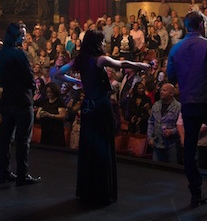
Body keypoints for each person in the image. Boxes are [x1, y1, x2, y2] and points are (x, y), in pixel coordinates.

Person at [55, 27, 149, 208]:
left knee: (88, 146)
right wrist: (142, 65)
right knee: (103, 146)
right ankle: (102, 191)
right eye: (102, 41)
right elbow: (122, 64)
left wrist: (78, 82)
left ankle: (87, 190)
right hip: (100, 106)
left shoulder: (80, 60)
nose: (105, 44)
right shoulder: (100, 59)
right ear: (97, 43)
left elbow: (58, 74)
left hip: (88, 106)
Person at [167, 11, 207, 209]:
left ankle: (196, 194)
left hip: (188, 103)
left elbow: (171, 77)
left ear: (186, 26)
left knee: (189, 148)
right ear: (202, 24)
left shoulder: (176, 49)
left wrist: (188, 84)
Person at [0, 23, 42, 186]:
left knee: (5, 139)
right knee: (22, 140)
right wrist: (34, 88)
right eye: (22, 34)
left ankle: (4, 172)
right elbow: (29, 78)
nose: (24, 37)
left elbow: (0, 78)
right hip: (22, 99)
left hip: (7, 99)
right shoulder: (20, 54)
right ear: (16, 35)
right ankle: (22, 174)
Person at [147, 82, 181, 163]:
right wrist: (149, 137)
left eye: (164, 90)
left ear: (171, 93)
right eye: (161, 90)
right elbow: (151, 122)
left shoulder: (178, 107)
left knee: (172, 170)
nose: (161, 92)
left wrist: (172, 131)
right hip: (157, 143)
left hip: (172, 144)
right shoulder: (156, 105)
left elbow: (182, 125)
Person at [36, 82, 67, 147]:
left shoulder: (59, 101)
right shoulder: (44, 101)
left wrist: (50, 115)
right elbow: (38, 115)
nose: (49, 94)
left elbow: (62, 116)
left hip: (56, 130)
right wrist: (41, 114)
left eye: (51, 92)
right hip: (46, 129)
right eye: (47, 92)